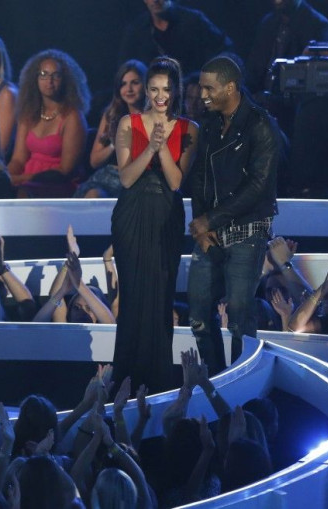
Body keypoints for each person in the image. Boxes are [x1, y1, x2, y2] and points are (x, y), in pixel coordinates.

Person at [111, 57, 199, 394]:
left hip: (166, 217)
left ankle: (157, 383)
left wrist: (162, 147)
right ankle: (126, 382)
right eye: (154, 89)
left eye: (167, 89)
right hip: (131, 216)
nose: (160, 96)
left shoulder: (190, 129)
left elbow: (176, 182)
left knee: (161, 298)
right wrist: (150, 145)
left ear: (176, 90)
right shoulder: (127, 124)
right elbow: (127, 177)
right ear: (146, 89)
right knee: (132, 298)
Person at [188, 56, 280, 375]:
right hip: (209, 233)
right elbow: (199, 176)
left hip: (246, 230)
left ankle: (241, 386)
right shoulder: (211, 124)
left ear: (230, 87)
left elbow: (258, 186)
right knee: (199, 314)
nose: (202, 95)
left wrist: (209, 220)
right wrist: (201, 223)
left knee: (240, 315)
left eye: (208, 88)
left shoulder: (260, 125)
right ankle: (215, 381)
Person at [7, 49, 90, 198]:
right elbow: (18, 159)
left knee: (24, 192)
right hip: (25, 181)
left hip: (57, 183)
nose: (49, 81)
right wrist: (6, 177)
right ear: (35, 78)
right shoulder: (29, 113)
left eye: (55, 75)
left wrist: (20, 180)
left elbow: (66, 170)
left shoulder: (73, 117)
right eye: (44, 75)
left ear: (65, 80)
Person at [76, 59, 147, 199]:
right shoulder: (111, 115)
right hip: (108, 178)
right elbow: (94, 161)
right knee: (93, 195)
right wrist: (114, 144)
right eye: (123, 84)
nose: (129, 89)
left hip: (142, 181)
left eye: (135, 83)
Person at [117, 0, 233, 75]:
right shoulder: (136, 30)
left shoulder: (194, 20)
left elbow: (224, 49)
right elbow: (125, 68)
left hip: (194, 95)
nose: (156, 0)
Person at [245, 0, 328, 93]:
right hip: (261, 99)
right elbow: (253, 69)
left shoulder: (318, 25)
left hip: (296, 100)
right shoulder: (267, 23)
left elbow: (321, 79)